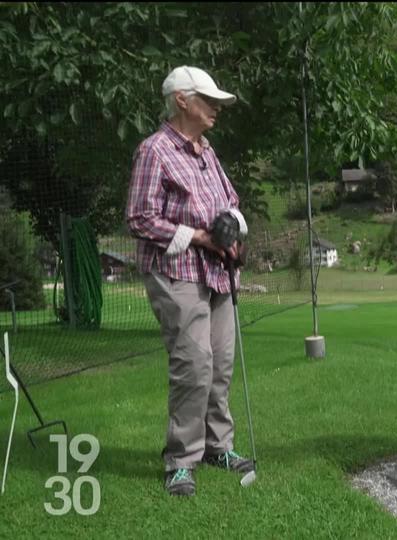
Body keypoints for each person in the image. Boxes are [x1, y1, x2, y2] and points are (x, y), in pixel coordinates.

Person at [126, 65, 252, 496]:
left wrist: (231, 233)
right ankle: (180, 461)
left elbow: (230, 202)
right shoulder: (154, 151)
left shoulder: (206, 151)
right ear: (183, 100)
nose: (216, 108)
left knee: (220, 362)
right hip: (175, 271)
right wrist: (198, 236)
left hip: (218, 270)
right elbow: (140, 218)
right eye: (208, 100)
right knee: (193, 366)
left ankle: (218, 447)